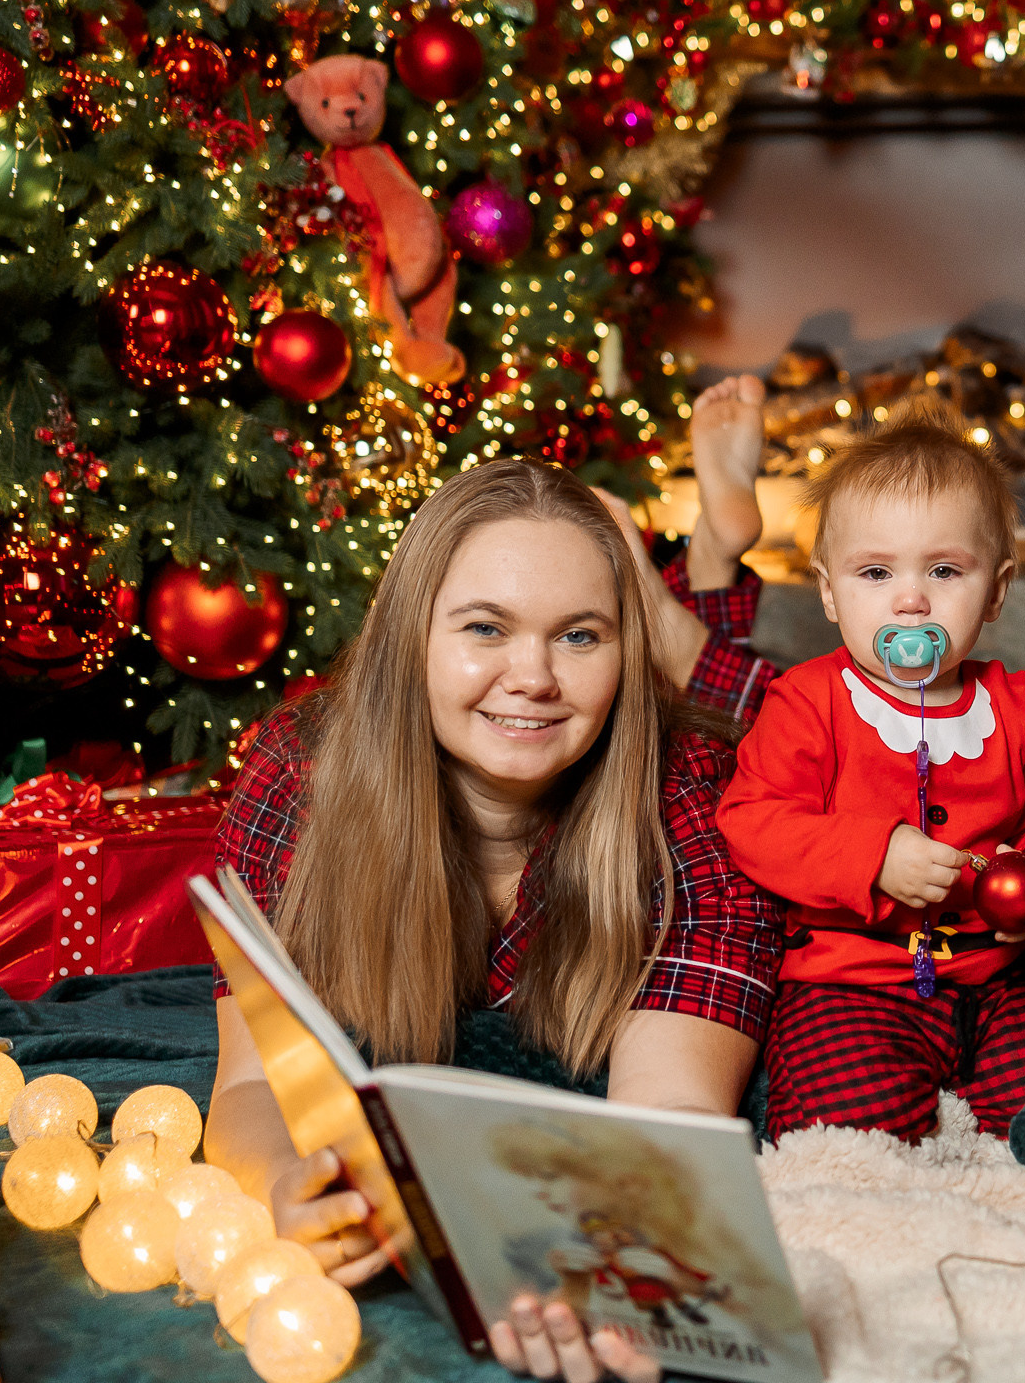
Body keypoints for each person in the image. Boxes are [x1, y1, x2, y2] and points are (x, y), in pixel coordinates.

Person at [205, 378, 782, 1380]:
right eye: (484, 628)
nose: (535, 676)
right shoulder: (298, 777)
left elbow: (673, 1111)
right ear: (412, 637)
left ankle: (702, 585)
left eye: (580, 634)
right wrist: (284, 1183)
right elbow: (251, 1084)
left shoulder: (691, 802)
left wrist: (602, 1264)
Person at [716, 399, 1025, 1142]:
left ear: (998, 591)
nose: (910, 600)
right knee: (849, 1126)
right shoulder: (809, 702)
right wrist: (872, 854)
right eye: (876, 572)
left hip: (993, 980)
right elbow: (752, 824)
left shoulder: (1010, 707)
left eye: (945, 570)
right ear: (829, 591)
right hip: (848, 982)